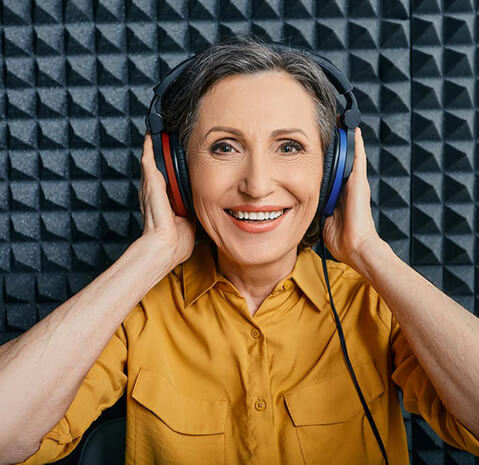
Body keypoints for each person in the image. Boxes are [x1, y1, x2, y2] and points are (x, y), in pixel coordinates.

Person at [1, 35, 478, 465]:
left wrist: (371, 253)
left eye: (288, 147)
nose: (257, 185)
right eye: (225, 147)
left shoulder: (375, 304)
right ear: (178, 172)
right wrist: (151, 254)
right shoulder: (135, 312)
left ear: (334, 172)